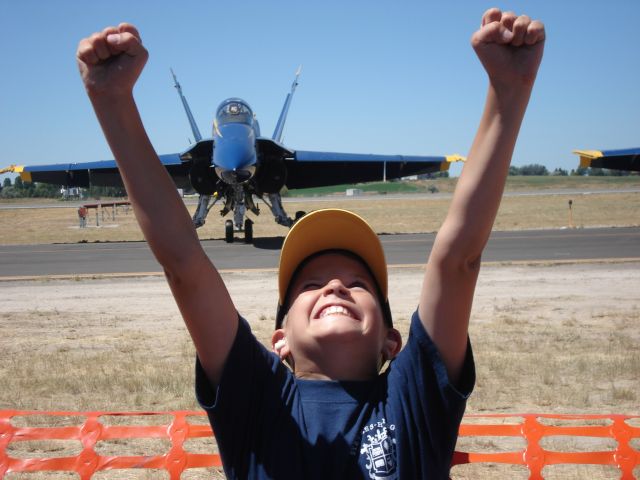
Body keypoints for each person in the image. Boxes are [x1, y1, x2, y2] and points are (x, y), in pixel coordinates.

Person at [76, 8, 544, 479]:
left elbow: (456, 261)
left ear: (392, 341)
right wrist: (112, 103)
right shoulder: (258, 402)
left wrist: (508, 93)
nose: (336, 286)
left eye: (359, 282)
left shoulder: (414, 398)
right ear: (278, 341)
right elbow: (184, 265)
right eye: (311, 283)